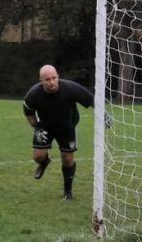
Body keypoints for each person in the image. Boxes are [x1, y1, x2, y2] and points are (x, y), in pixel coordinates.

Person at [23, 64, 95, 200]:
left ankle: (68, 192)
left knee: (68, 159)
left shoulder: (70, 88)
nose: (51, 82)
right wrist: (36, 128)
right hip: (45, 126)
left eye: (54, 78)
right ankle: (44, 162)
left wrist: (104, 115)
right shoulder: (33, 94)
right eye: (47, 79)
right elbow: (28, 112)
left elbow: (91, 100)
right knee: (38, 156)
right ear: (41, 81)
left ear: (58, 77)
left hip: (67, 126)